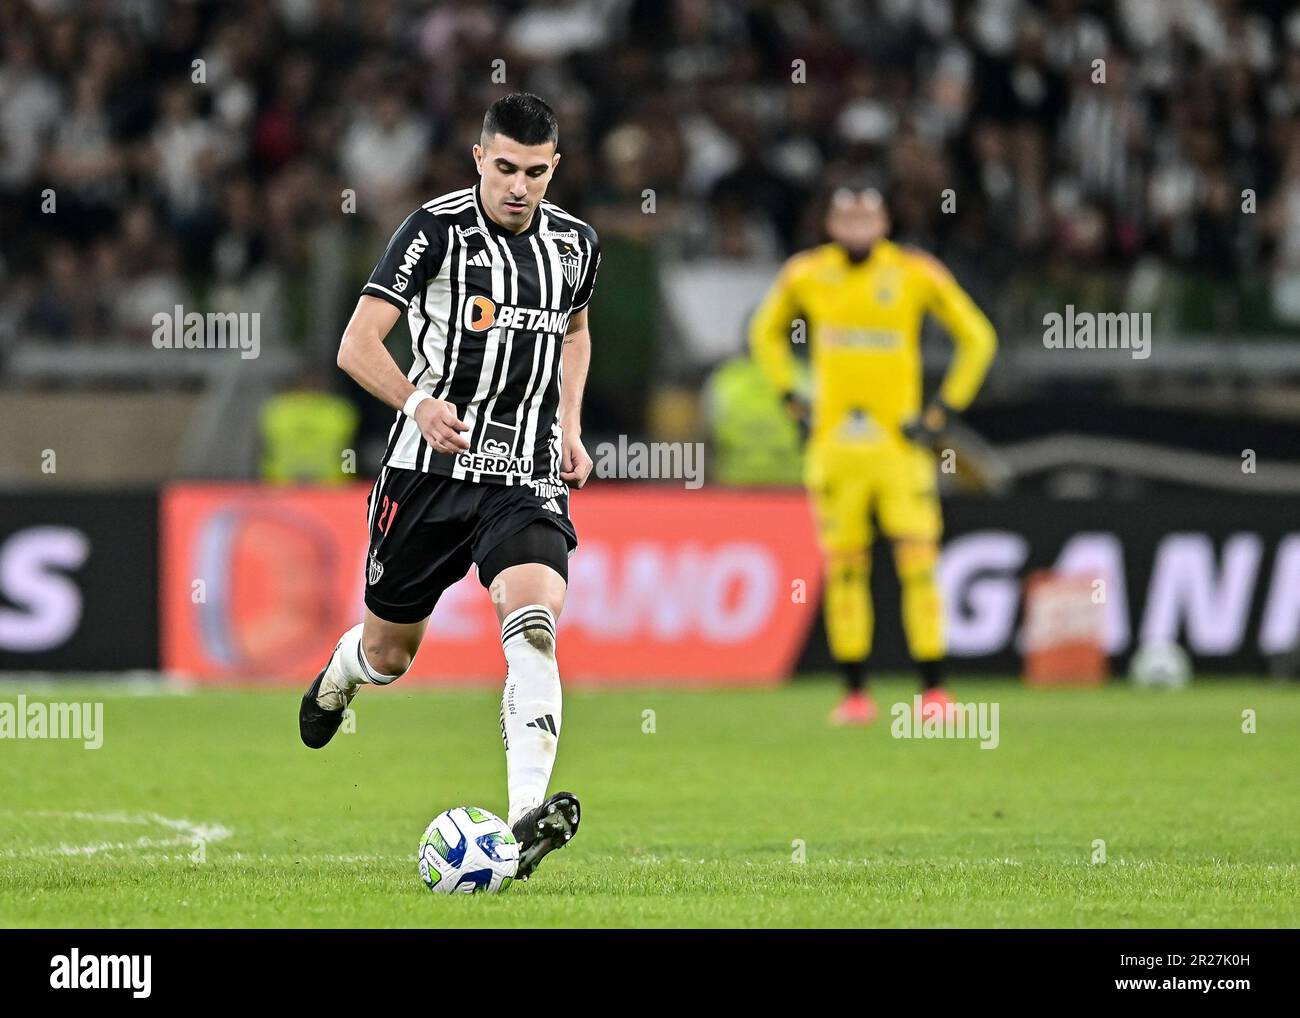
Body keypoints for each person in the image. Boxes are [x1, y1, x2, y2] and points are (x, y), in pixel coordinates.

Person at [298, 93, 600, 879]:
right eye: (504, 167)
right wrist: (416, 403)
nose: (518, 186)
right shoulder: (432, 232)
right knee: (389, 654)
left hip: (525, 472)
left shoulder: (575, 246)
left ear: (553, 169)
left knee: (534, 625)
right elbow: (357, 344)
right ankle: (341, 674)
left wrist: (568, 425)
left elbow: (575, 332)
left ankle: (523, 815)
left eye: (535, 172)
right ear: (479, 159)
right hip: (426, 472)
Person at [750, 184, 996, 726]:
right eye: (847, 214)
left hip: (898, 449)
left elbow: (978, 338)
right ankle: (855, 695)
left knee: (919, 567)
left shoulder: (915, 272)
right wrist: (792, 398)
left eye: (868, 213)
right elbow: (763, 333)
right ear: (831, 223)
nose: (858, 223)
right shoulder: (806, 274)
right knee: (846, 573)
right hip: (836, 450)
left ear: (885, 219)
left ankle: (934, 693)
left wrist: (940, 413)